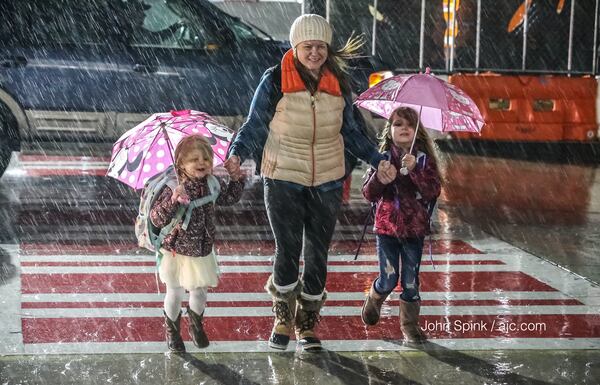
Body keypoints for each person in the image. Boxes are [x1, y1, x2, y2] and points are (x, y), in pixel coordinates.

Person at [224, 14, 394, 351]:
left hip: (328, 178)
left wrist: (379, 160)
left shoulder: (338, 82)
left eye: (320, 47)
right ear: (295, 46)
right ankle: (283, 315)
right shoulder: (275, 80)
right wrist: (236, 153)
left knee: (317, 253)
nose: (314, 52)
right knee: (287, 249)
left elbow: (353, 134)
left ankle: (307, 322)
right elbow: (255, 124)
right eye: (307, 46)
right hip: (283, 174)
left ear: (327, 49)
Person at [150, 135, 245, 353]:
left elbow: (229, 198)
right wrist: (173, 200)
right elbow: (156, 218)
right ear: (181, 164)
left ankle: (195, 325)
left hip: (202, 250)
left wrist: (236, 178)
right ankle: (172, 333)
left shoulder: (212, 183)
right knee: (174, 292)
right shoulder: (172, 186)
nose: (202, 162)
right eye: (194, 159)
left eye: (206, 158)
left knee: (200, 292)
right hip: (176, 251)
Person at [360, 107, 441, 344]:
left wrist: (415, 171)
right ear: (390, 130)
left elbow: (433, 190)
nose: (404, 128)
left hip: (414, 230)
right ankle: (375, 296)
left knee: (410, 281)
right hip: (386, 229)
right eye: (398, 124)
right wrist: (380, 177)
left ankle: (409, 326)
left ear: (417, 131)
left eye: (409, 124)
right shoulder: (382, 157)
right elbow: (368, 193)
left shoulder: (424, 160)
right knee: (389, 277)